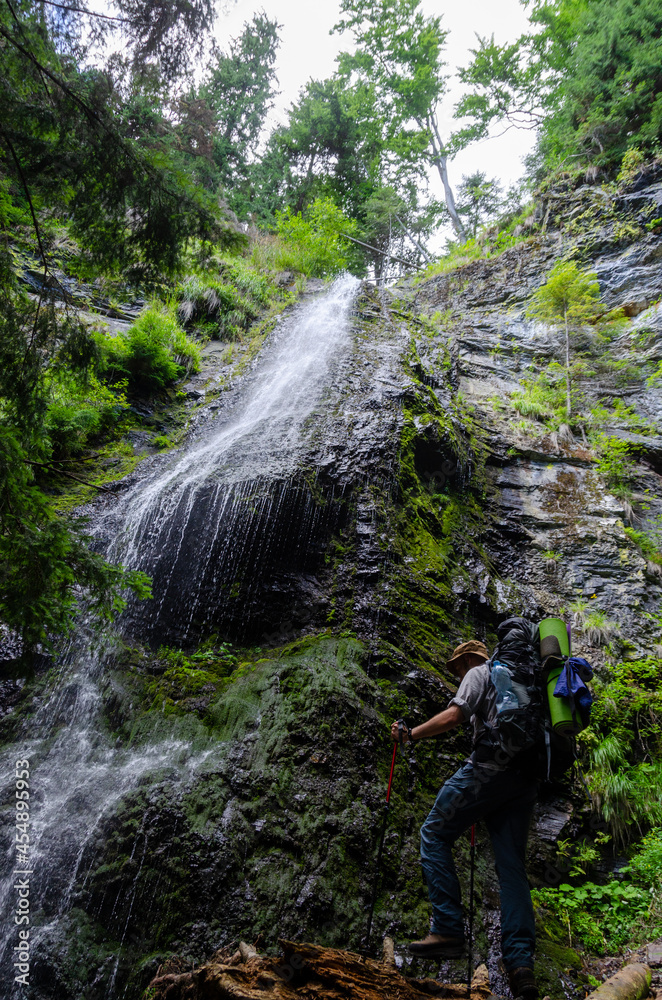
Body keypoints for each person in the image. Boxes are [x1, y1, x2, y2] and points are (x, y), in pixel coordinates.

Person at [391, 639, 539, 1000]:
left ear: (471, 658)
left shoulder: (480, 671)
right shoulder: (527, 682)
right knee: (512, 871)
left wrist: (411, 735)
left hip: (488, 772)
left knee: (434, 833)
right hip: (525, 780)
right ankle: (521, 967)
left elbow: (455, 716)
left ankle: (447, 929)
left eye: (457, 666)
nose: (457, 673)